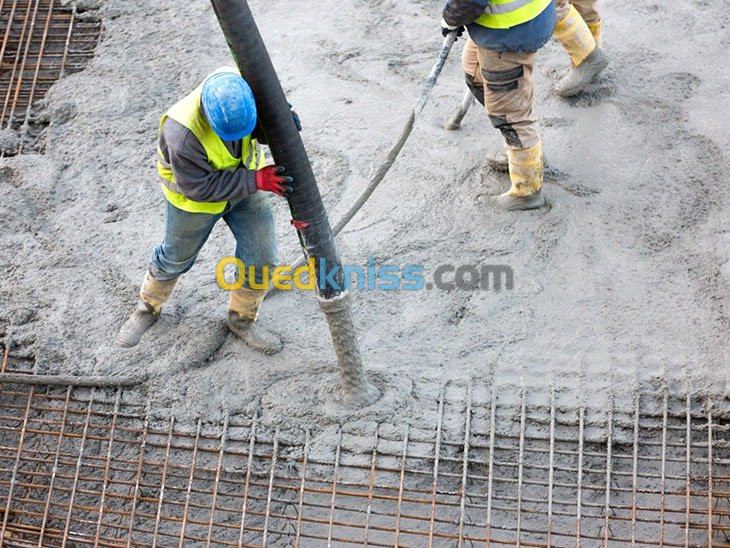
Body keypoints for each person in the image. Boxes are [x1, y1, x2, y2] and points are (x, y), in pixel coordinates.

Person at [117, 67, 296, 355]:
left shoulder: (245, 90)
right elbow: (198, 188)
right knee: (174, 258)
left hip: (247, 186)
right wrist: (257, 179)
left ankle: (242, 320)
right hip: (196, 202)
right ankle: (147, 308)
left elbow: (263, 128)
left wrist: (281, 121)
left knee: (262, 257)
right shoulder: (181, 133)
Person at [442, 0, 606, 210]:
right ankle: (525, 155)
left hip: (508, 34)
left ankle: (526, 190)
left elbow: (470, 2)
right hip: (521, 16)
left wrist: (450, 17)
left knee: (510, 113)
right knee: (474, 70)